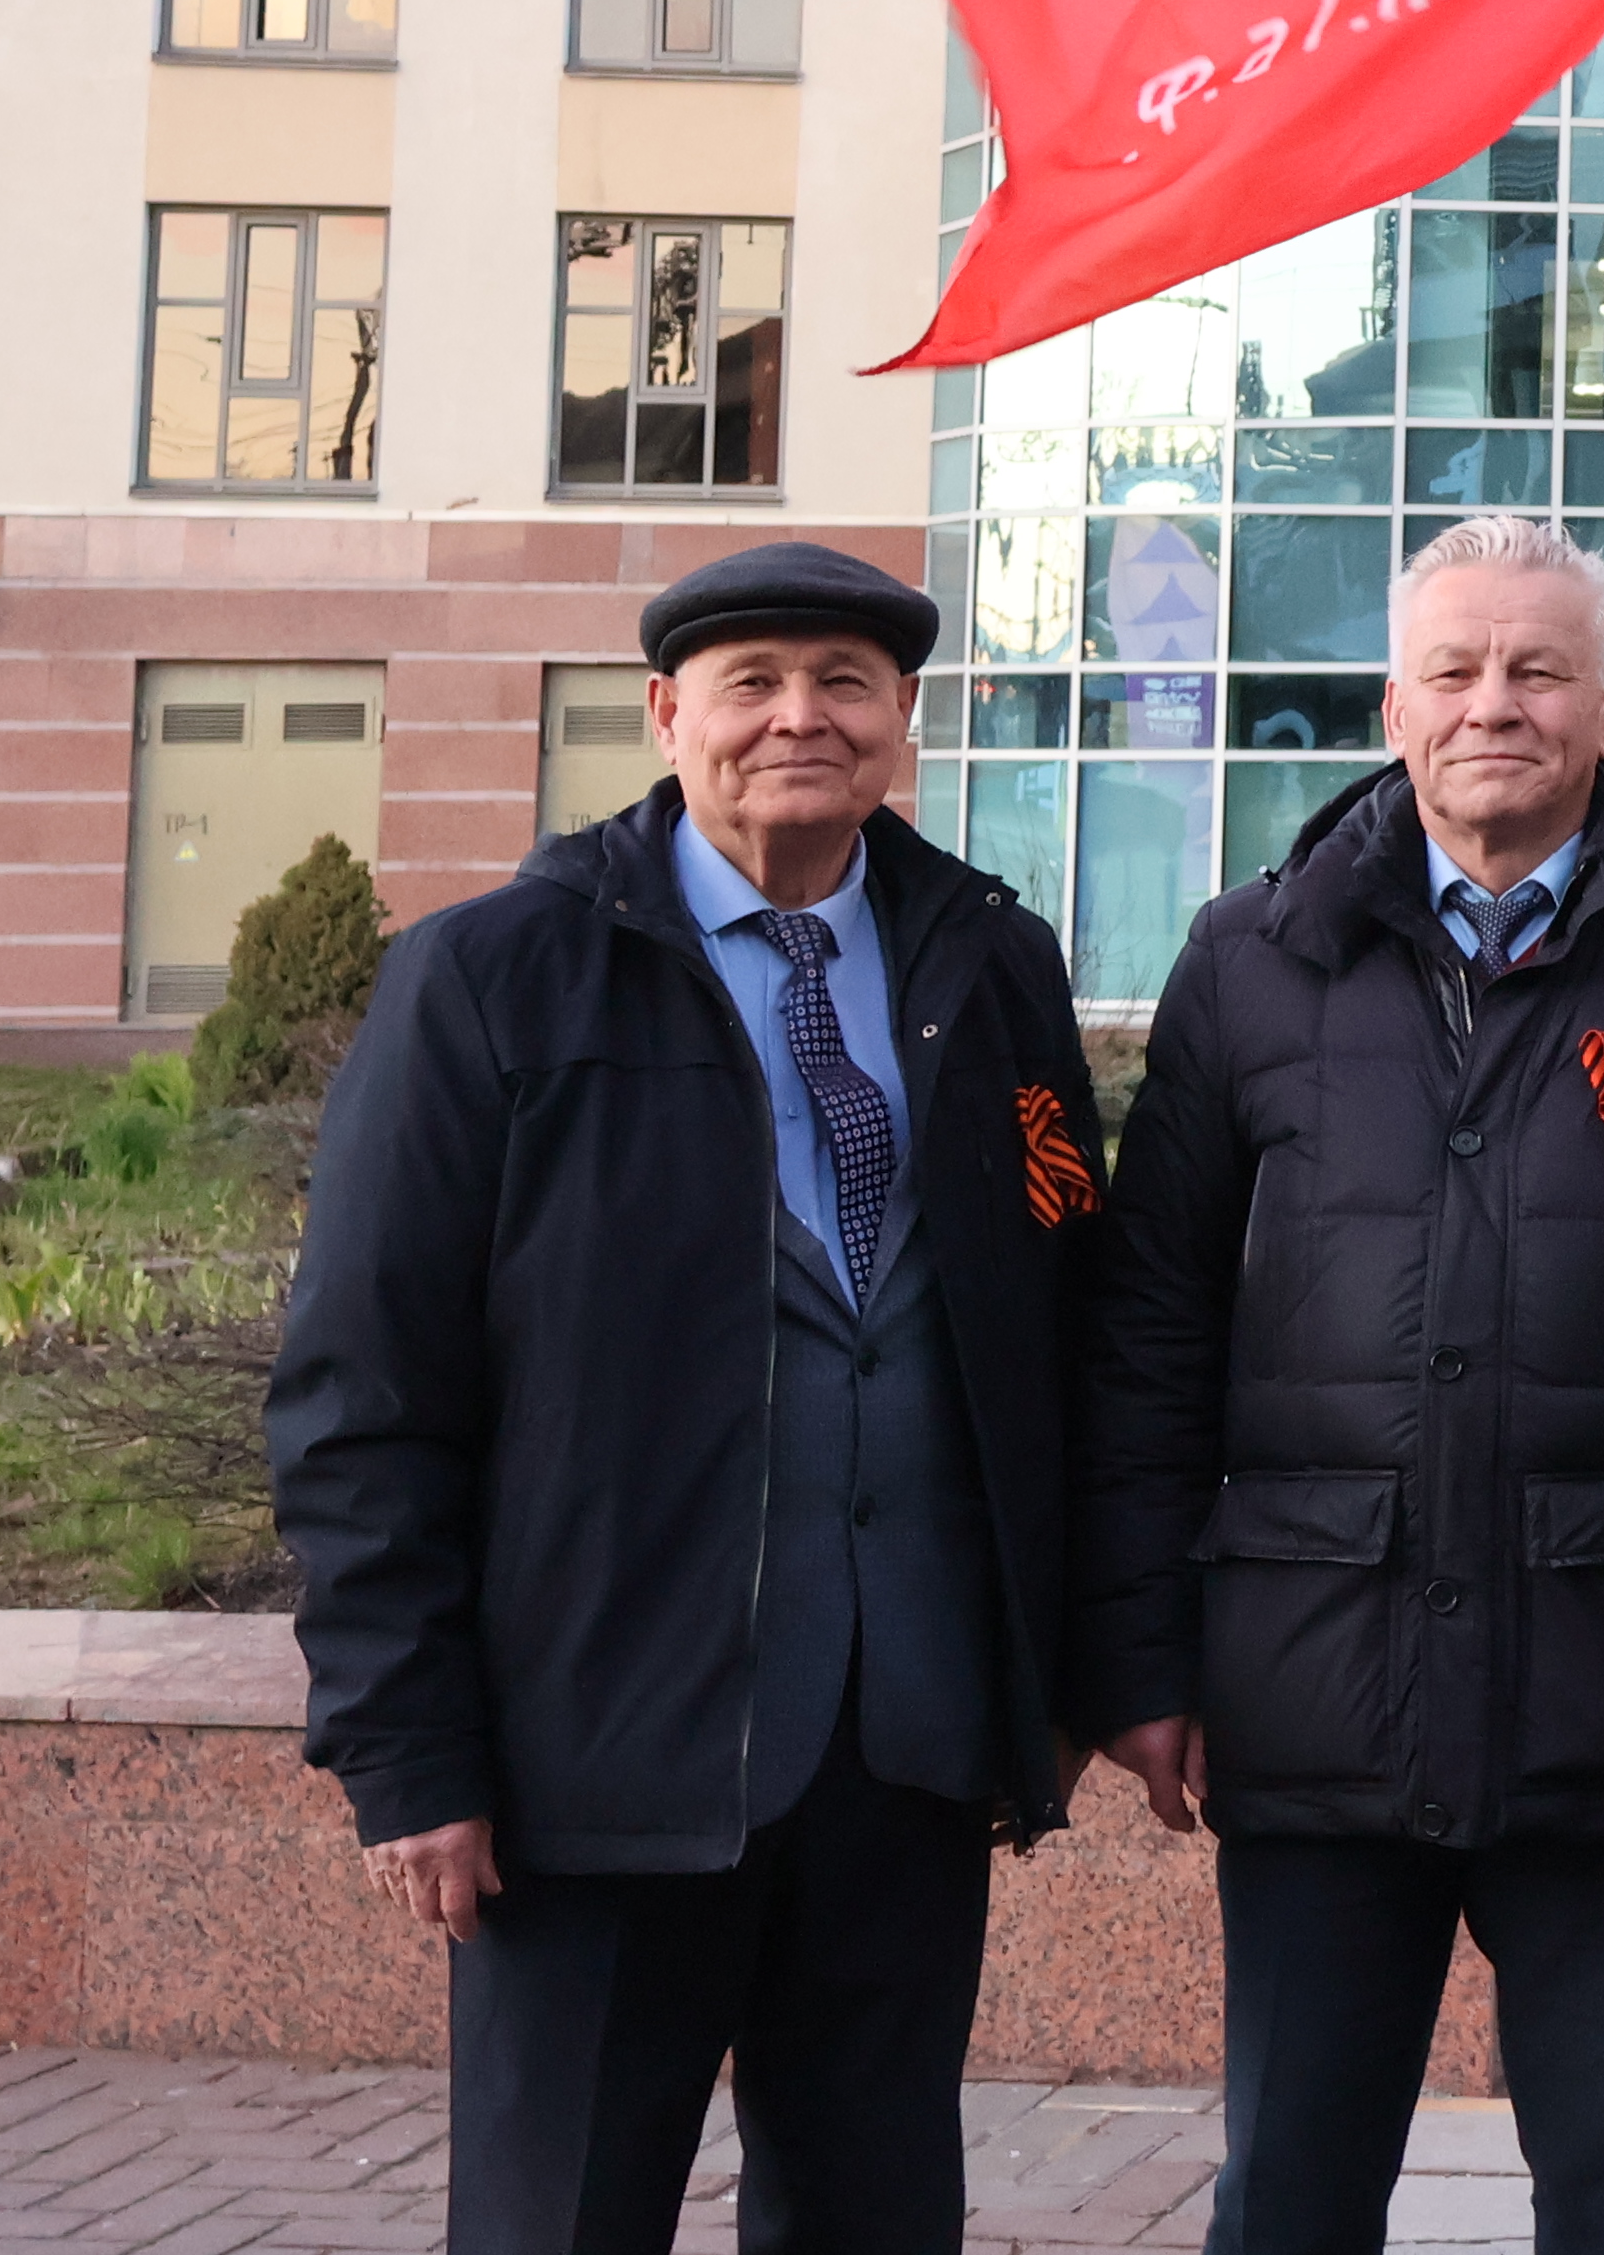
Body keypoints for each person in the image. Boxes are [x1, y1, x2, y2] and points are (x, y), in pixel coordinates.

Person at [273, 538, 1108, 2255]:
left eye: (847, 685)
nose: (801, 717)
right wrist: (408, 1743)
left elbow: (1063, 1321)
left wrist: (1072, 1665)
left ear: (901, 724)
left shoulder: (988, 969)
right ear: (667, 717)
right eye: (753, 684)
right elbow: (365, 1394)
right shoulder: (496, 979)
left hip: (905, 1751)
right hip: (596, 1767)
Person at [1075, 514, 1604, 2255]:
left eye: (1541, 670)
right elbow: (1152, 1328)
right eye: (1458, 670)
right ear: (1392, 708)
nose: (1499, 703)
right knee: (1295, 2193)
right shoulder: (1247, 962)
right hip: (1316, 1686)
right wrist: (1139, 1653)